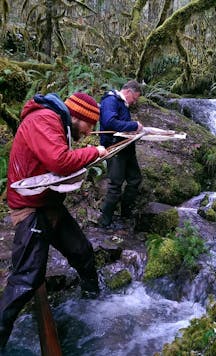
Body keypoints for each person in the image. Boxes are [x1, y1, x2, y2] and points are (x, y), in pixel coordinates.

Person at [0, 91, 108, 349]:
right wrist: (94, 152)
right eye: (89, 125)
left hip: (49, 205)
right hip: (31, 208)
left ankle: (94, 302)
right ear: (77, 116)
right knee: (27, 279)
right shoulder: (45, 119)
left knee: (82, 251)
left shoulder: (56, 122)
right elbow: (59, 161)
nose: (89, 131)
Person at [98, 80, 143, 227]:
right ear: (129, 92)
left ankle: (125, 213)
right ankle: (104, 222)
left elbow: (120, 124)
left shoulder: (122, 103)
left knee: (135, 179)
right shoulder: (110, 101)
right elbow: (110, 122)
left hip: (127, 147)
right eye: (134, 98)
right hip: (115, 147)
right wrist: (134, 125)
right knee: (115, 185)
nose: (134, 102)